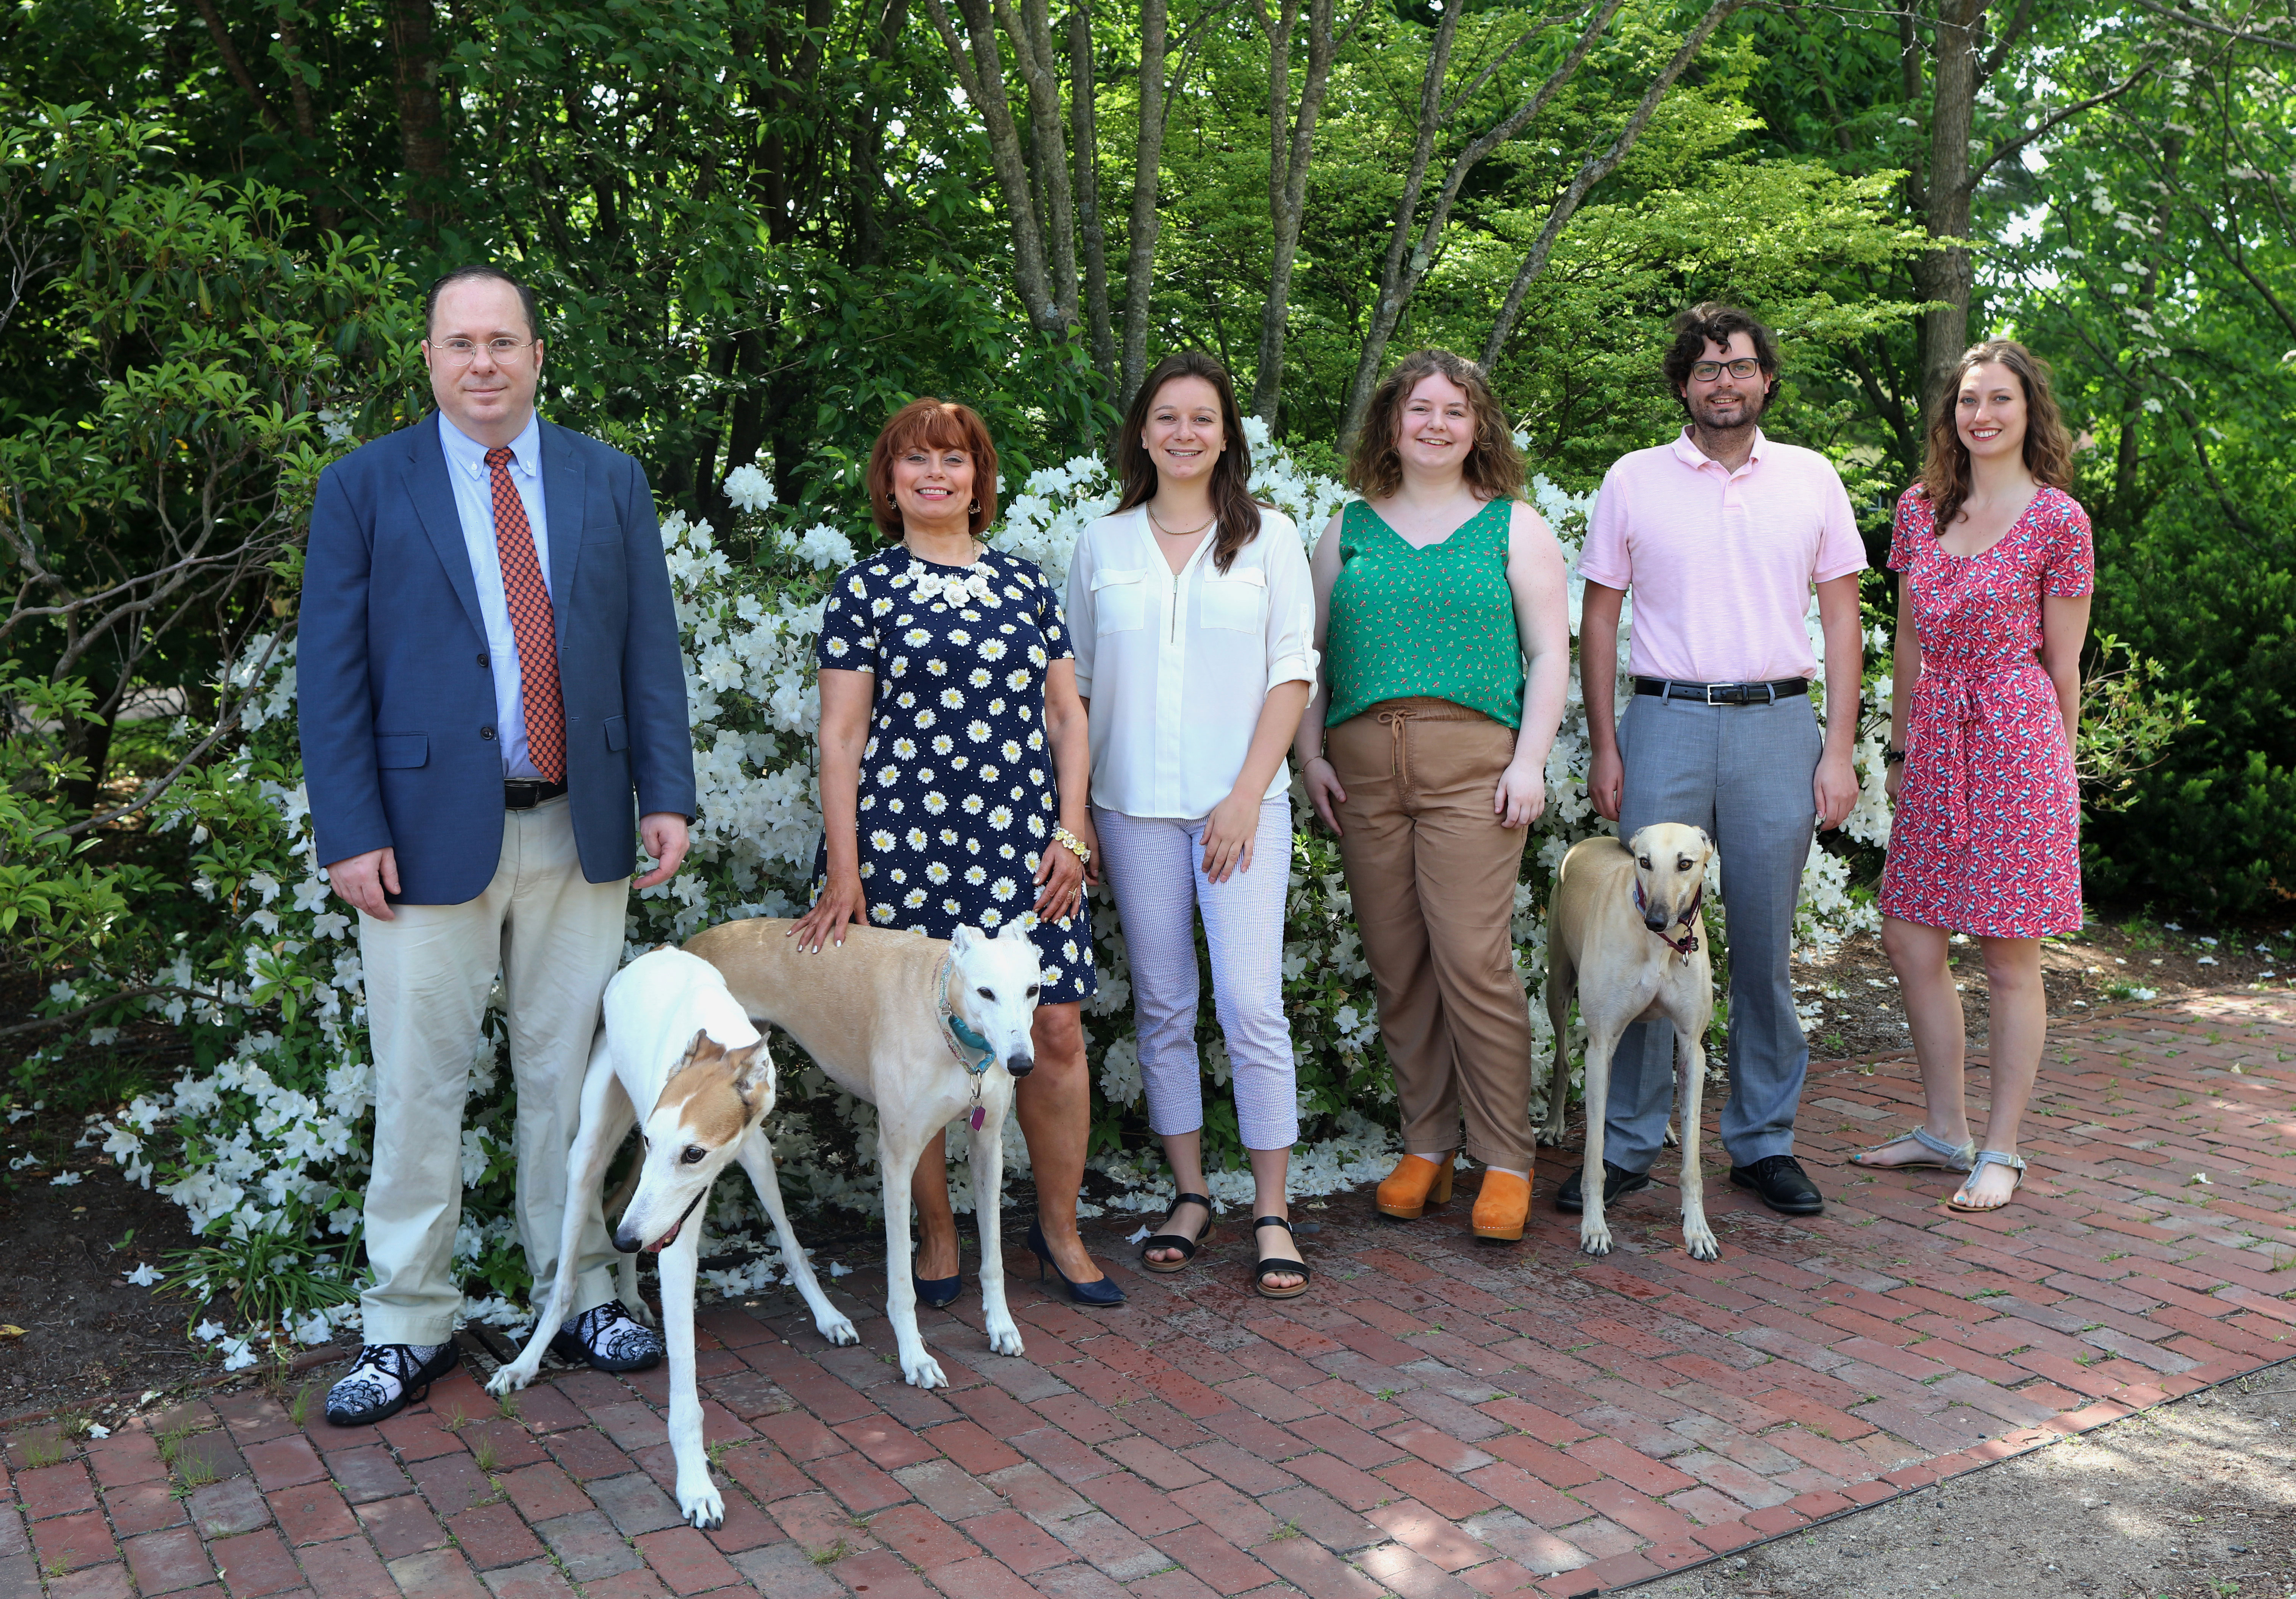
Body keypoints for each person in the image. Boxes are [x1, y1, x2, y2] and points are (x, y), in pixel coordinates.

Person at [300, 265, 696, 1426]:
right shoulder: (365, 486)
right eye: (460, 342)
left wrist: (664, 790)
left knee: (572, 1082)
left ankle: (579, 1293)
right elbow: (331, 680)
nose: (483, 361)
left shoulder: (604, 478)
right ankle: (407, 1320)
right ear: (428, 358)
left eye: (503, 341)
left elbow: (647, 649)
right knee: (419, 1083)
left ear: (536, 354)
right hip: (420, 842)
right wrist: (351, 828)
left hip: (581, 826)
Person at [793, 398, 1119, 1305]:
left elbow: (1067, 717)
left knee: (1053, 1025)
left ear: (979, 479)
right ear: (889, 482)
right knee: (921, 1042)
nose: (935, 473)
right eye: (915, 460)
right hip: (903, 846)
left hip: (1026, 844)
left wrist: (1072, 829)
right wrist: (848, 869)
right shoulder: (863, 590)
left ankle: (1058, 1232)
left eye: (955, 459)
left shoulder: (1026, 586)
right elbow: (842, 737)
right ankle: (937, 1234)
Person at [1576, 303, 1865, 1220]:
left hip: (1778, 724)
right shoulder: (1633, 480)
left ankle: (1763, 1141)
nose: (1724, 382)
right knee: (1646, 938)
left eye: (1739, 366)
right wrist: (1610, 743)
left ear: (1765, 377)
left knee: (1767, 950)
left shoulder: (1812, 480)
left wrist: (1841, 749)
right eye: (1706, 370)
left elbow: (1844, 622)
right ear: (1684, 386)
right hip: (1664, 719)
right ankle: (1626, 1147)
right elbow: (1598, 620)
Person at [1292, 348, 1570, 1243]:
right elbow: (1310, 656)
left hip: (1473, 768)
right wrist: (1309, 755)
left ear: (1479, 425)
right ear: (1393, 423)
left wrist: (1529, 762)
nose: (1438, 423)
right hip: (1364, 767)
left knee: (1472, 961)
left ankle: (1505, 1157)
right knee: (1399, 961)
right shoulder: (1348, 531)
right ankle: (1428, 1145)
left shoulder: (1512, 526)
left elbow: (1551, 654)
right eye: (1421, 409)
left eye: (1456, 410)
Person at [1065, 353, 1317, 1299]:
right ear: (1142, 432)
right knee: (1164, 1006)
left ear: (1226, 435)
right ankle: (1189, 1191)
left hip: (1238, 810)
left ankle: (1272, 1207)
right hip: (1132, 809)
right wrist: (1079, 808)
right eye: (1166, 416)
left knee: (1251, 1007)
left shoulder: (1271, 540)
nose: (1183, 432)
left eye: (1202, 418)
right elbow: (1078, 690)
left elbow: (1292, 672)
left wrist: (1249, 790)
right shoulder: (1103, 543)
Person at [1851, 340, 2091, 1212]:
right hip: (1934, 738)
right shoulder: (1921, 509)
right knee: (1912, 936)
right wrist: (1901, 748)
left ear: (2030, 410)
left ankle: (2002, 1149)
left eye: (1998, 398)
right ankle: (1943, 1128)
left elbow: (2063, 663)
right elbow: (1910, 641)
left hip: (2017, 739)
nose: (1980, 414)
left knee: (2007, 955)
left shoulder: (2060, 519)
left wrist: (2058, 772)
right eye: (1966, 400)